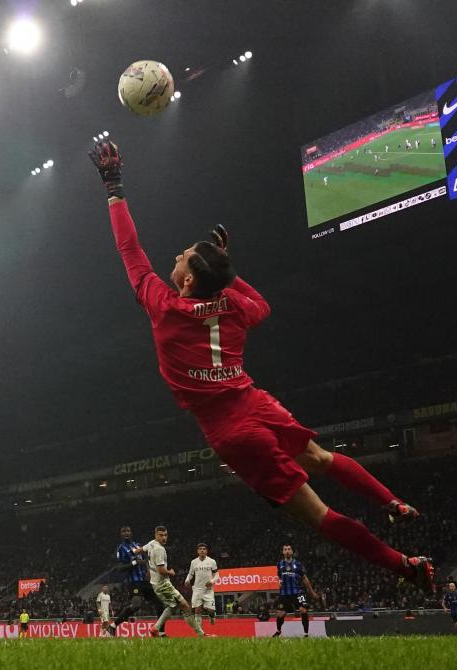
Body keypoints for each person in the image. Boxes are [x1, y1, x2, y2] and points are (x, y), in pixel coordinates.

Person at [88, 140, 434, 593]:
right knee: (322, 458)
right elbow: (262, 305)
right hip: (256, 403)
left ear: (187, 280)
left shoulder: (165, 308)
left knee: (320, 514)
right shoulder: (233, 304)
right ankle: (391, 502)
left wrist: (113, 186)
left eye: (182, 257)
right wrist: (227, 272)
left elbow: (130, 250)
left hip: (233, 433)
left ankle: (405, 567)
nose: (174, 257)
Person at [137, 526, 204, 637]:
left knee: (173, 606)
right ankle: (201, 634)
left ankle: (155, 628)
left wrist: (132, 552)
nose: (164, 538)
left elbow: (139, 550)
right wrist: (171, 572)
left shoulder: (152, 543)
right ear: (156, 535)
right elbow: (161, 570)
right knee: (185, 606)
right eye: (161, 535)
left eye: (165, 535)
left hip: (156, 584)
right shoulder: (159, 549)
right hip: (163, 584)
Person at [111, 525, 163, 634]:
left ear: (131, 533)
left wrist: (148, 570)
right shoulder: (121, 548)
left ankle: (160, 632)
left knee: (160, 604)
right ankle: (113, 625)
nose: (126, 533)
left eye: (128, 531)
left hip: (145, 581)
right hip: (133, 581)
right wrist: (134, 563)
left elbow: (146, 559)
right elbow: (120, 568)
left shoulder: (138, 545)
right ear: (121, 534)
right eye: (124, 531)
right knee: (136, 605)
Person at [272, 544, 317, 637]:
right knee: (280, 614)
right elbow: (279, 576)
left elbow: (304, 578)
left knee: (303, 610)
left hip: (297, 592)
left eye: (289, 549)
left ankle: (306, 634)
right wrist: (280, 581)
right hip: (284, 593)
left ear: (292, 551)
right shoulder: (279, 564)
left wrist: (311, 591)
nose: (287, 551)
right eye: (285, 549)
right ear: (283, 552)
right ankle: (278, 631)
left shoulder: (298, 564)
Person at [184, 543, 219, 628]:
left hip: (208, 590)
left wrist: (212, 581)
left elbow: (217, 574)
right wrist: (187, 580)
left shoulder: (212, 561)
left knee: (211, 611)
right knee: (197, 610)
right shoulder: (193, 562)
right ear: (197, 551)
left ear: (206, 551)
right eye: (200, 549)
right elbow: (190, 574)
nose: (202, 550)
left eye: (204, 549)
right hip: (197, 589)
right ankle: (199, 630)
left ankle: (212, 616)